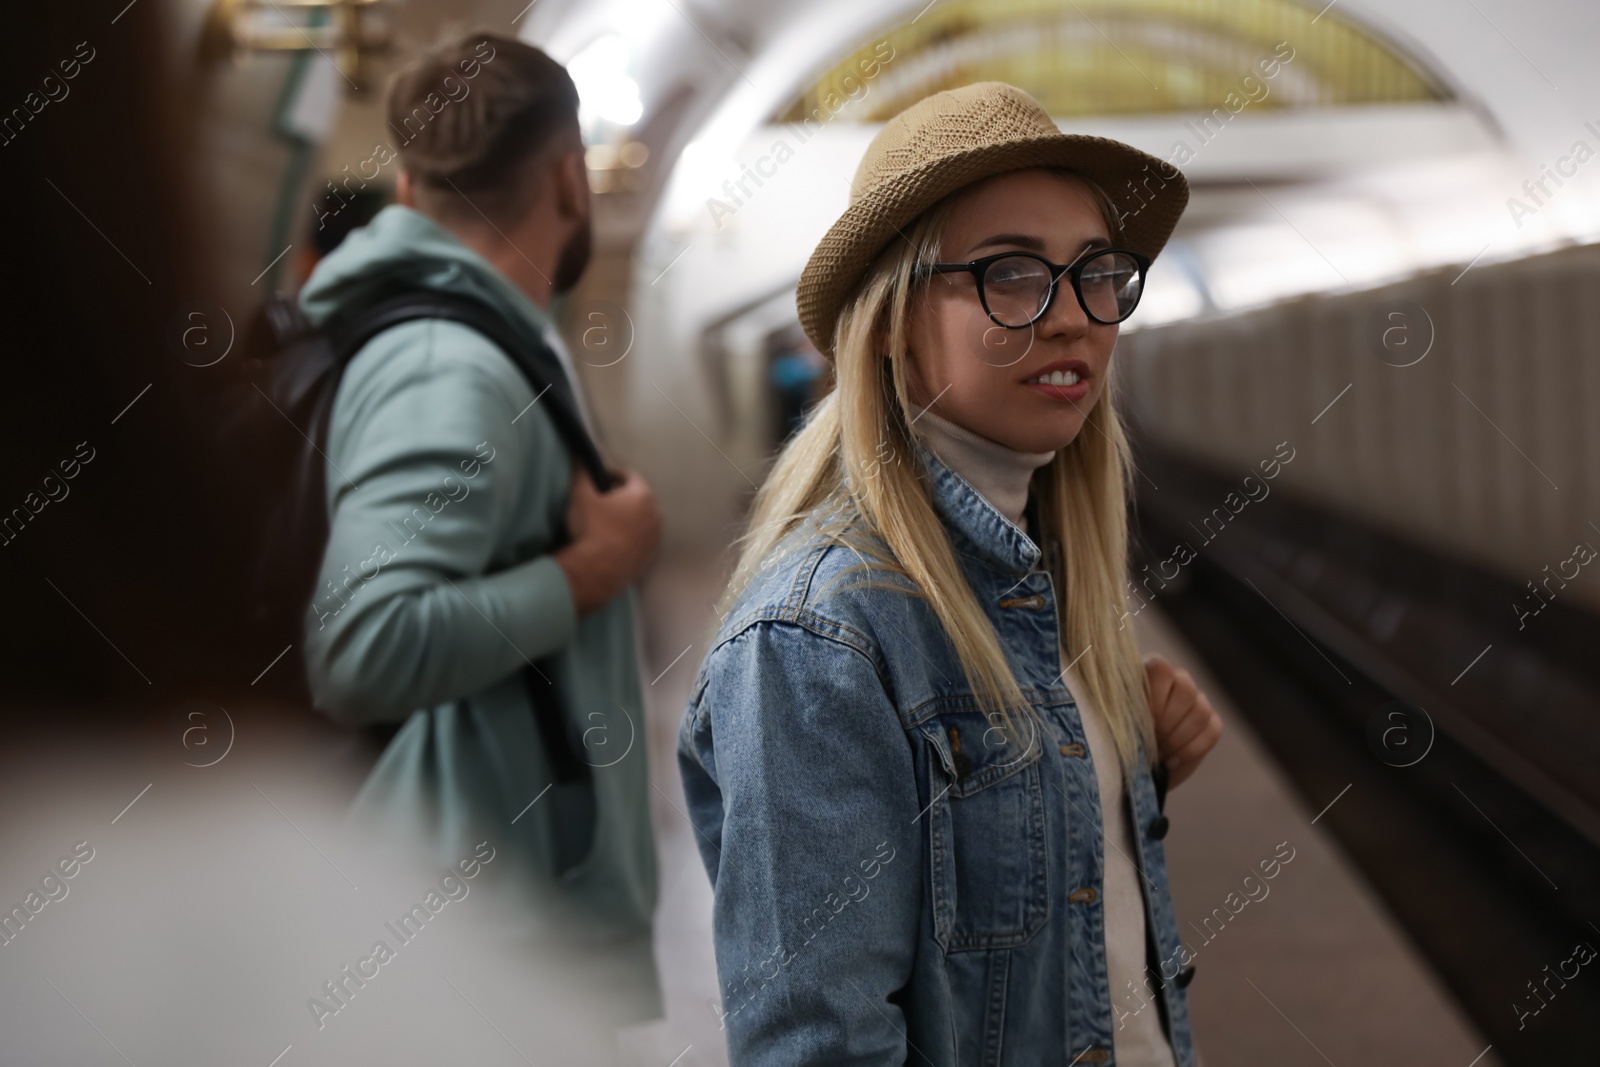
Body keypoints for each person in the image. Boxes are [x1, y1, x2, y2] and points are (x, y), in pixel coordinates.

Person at [678, 82, 1223, 1065]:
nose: (1071, 319)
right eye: (1011, 274)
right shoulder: (816, 636)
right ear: (888, 319)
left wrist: (1110, 771)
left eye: (1094, 271)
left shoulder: (1036, 567)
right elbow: (818, 1045)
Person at [297, 31, 664, 1026]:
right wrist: (595, 566)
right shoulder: (446, 366)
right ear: (568, 177)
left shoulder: (496, 335)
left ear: (411, 187)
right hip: (487, 930)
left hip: (506, 903)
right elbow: (364, 644)